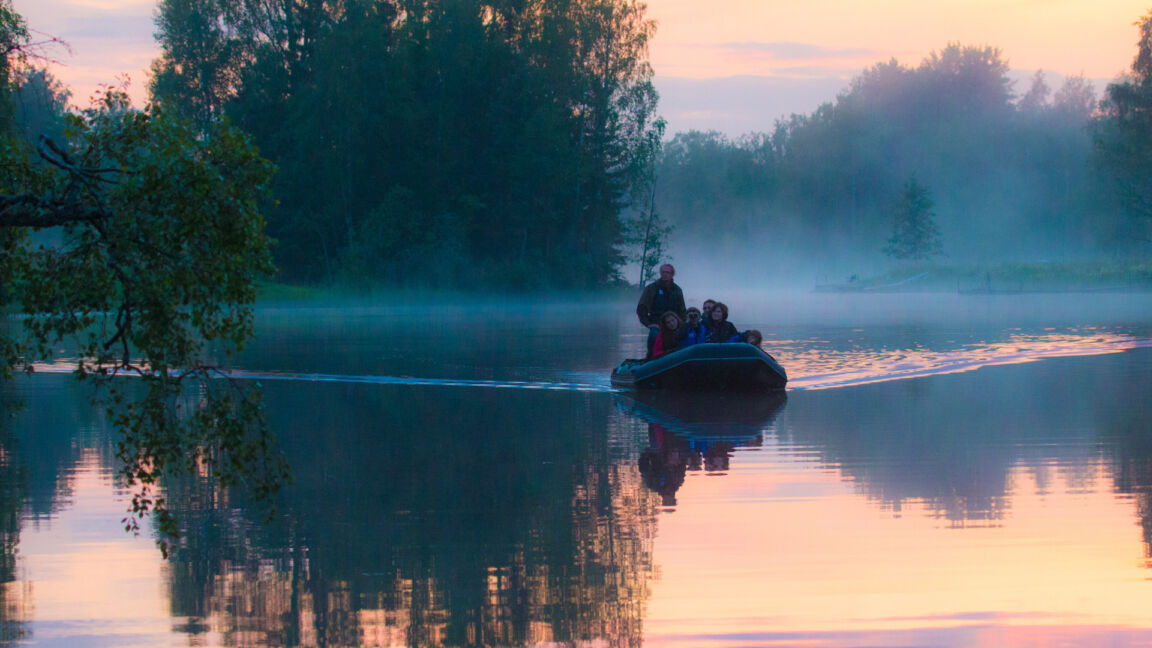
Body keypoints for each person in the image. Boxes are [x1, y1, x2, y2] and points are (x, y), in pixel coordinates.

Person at [636, 264, 686, 358]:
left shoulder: (677, 290)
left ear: (672, 274)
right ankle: (651, 358)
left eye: (667, 272)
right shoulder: (651, 288)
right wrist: (648, 323)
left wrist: (681, 324)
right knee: (654, 335)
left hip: (673, 323)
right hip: (657, 323)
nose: (665, 274)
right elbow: (642, 308)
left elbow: (682, 310)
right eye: (663, 272)